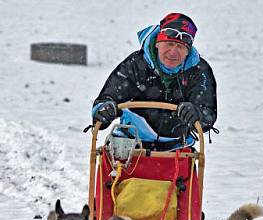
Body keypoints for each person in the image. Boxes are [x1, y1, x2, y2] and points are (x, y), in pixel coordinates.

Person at [91, 13, 217, 149]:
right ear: (158, 43)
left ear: (188, 51)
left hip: (177, 147)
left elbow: (208, 113)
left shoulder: (199, 71)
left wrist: (197, 113)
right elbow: (105, 101)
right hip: (130, 145)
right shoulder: (135, 65)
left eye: (180, 47)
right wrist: (104, 110)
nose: (173, 52)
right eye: (169, 43)